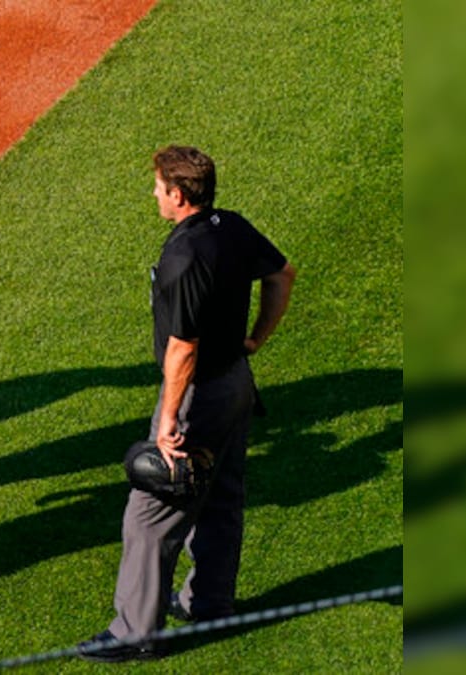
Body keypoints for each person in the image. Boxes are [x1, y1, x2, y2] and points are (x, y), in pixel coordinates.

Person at [78, 146, 296, 661]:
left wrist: (168, 422)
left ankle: (135, 633)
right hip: (237, 383)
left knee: (150, 513)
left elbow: (182, 348)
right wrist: (255, 341)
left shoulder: (182, 256)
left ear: (178, 194)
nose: (153, 193)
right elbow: (282, 274)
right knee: (221, 494)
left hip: (198, 394)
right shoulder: (232, 226)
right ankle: (210, 604)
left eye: (157, 186)